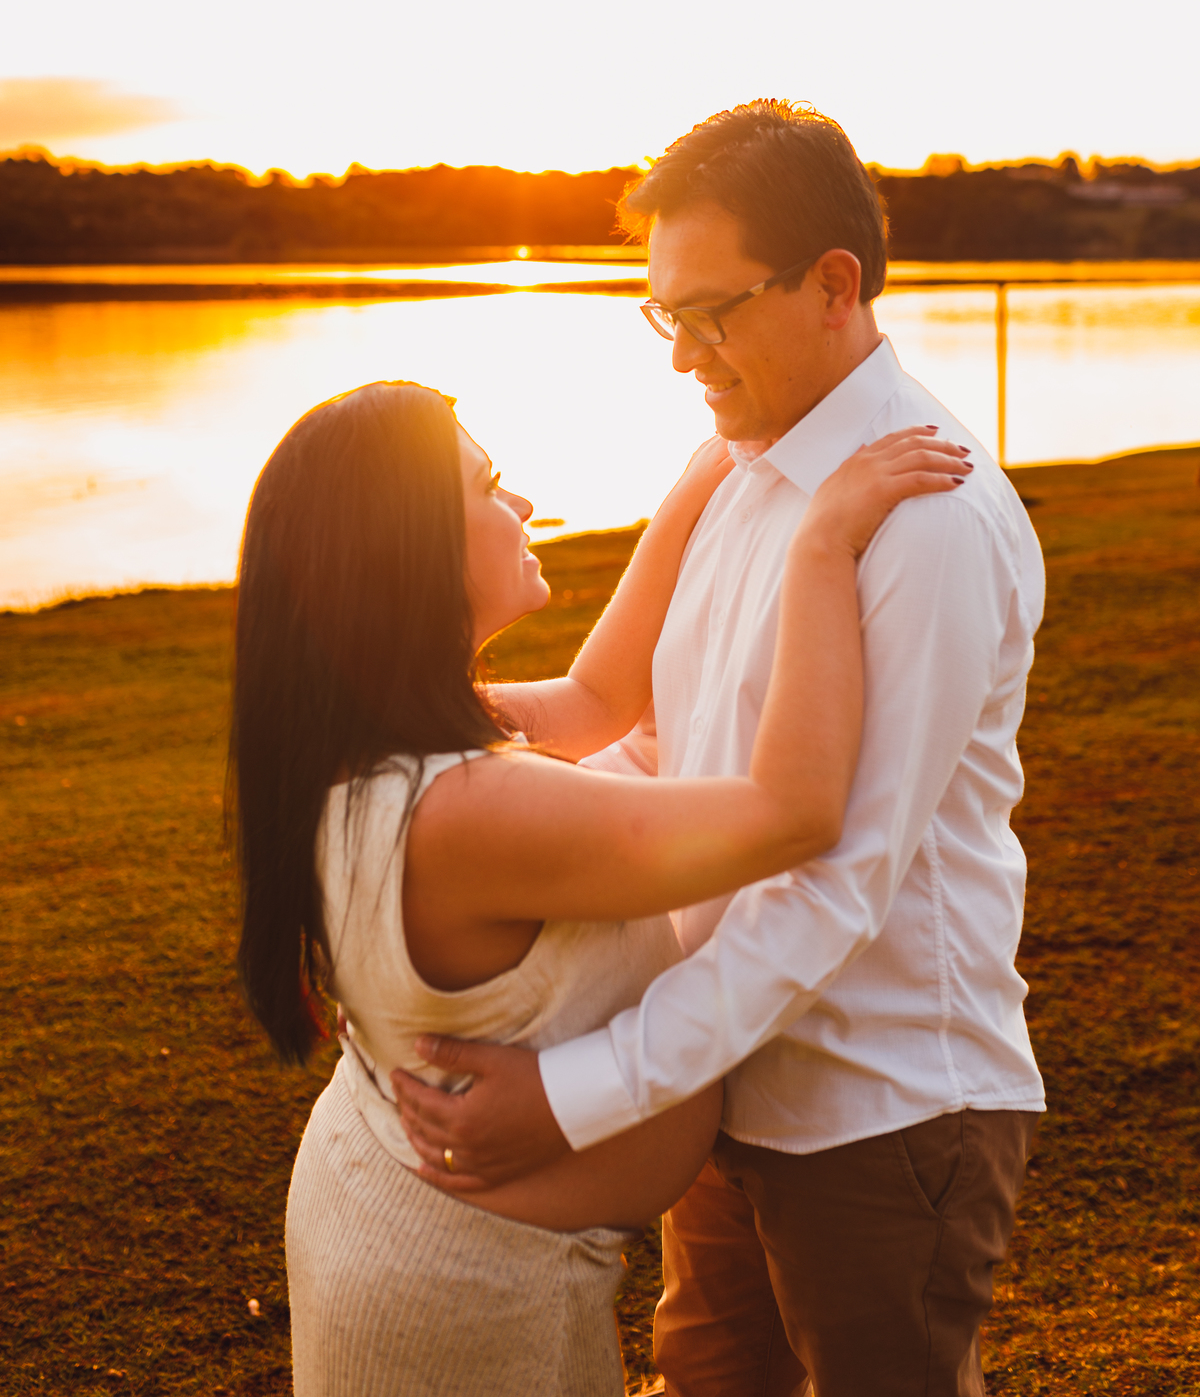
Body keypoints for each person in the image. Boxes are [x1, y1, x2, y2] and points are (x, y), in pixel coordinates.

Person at [392, 101, 1048, 1397]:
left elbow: (834, 882)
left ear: (833, 285)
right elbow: (668, 753)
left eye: (711, 314)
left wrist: (573, 1093)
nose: (683, 354)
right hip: (722, 1076)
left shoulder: (930, 521)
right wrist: (450, 823)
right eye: (664, 316)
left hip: (880, 1108)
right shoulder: (741, 468)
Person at [228, 374, 969, 1397]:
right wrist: (821, 544)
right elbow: (793, 811)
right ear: (415, 554)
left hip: (400, 1220)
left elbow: (594, 699)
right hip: (463, 1297)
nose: (524, 504)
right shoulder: (472, 811)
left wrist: (711, 468)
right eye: (489, 487)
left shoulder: (369, 747)